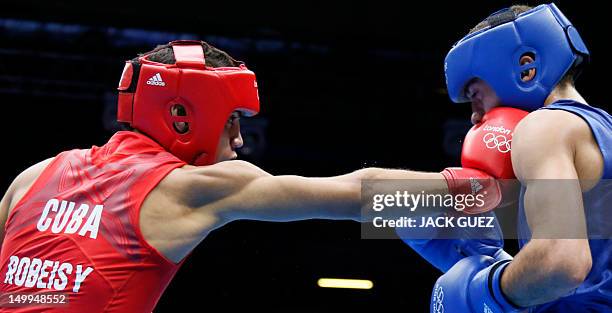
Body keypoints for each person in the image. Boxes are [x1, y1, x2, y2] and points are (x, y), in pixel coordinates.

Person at [0, 40, 510, 312]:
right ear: (183, 117)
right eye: (232, 121)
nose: (239, 141)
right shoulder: (187, 188)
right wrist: (481, 190)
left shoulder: (32, 178)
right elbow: (355, 195)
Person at [430, 3, 611, 313]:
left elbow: (561, 262)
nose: (475, 117)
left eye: (475, 95)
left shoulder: (542, 126)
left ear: (526, 69)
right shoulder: (601, 131)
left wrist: (483, 291)